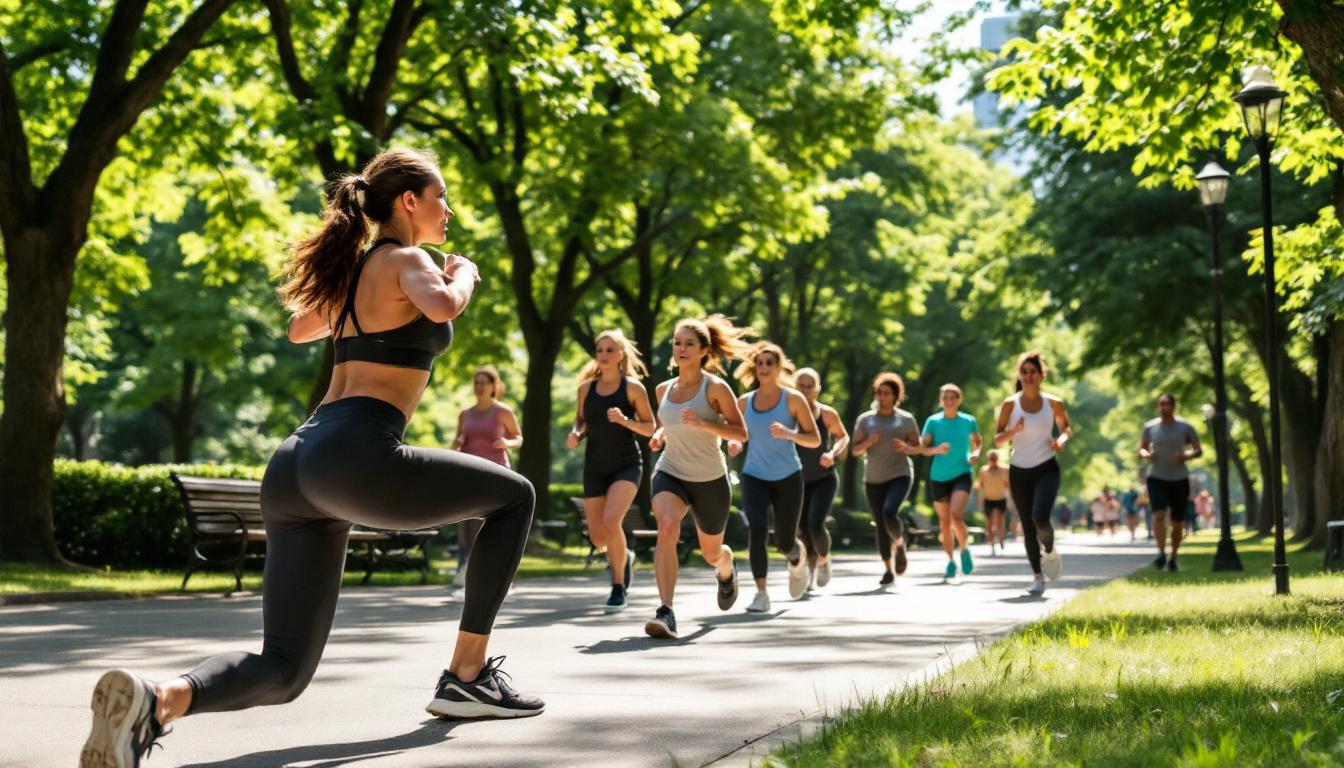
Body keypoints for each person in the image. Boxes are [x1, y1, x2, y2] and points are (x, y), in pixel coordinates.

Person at [81, 149, 543, 768]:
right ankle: (468, 673)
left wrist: (357, 297)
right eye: (440, 197)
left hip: (296, 465)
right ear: (409, 201)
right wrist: (463, 274)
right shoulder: (411, 259)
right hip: (358, 454)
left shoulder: (356, 275)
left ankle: (156, 700)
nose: (448, 209)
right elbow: (441, 306)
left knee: (284, 668)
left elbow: (301, 327)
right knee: (516, 496)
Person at [644, 315, 752, 639]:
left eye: (689, 343)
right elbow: (668, 421)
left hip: (709, 479)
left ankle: (725, 566)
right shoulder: (663, 388)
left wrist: (705, 425)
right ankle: (666, 610)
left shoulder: (716, 388)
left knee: (711, 553)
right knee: (666, 528)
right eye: (677, 342)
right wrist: (660, 434)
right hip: (671, 471)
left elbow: (741, 433)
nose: (682, 348)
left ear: (704, 350)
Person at [565, 329, 656, 613]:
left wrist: (625, 420)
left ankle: (618, 588)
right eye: (599, 350)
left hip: (626, 465)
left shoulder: (632, 388)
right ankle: (624, 556)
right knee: (599, 538)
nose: (602, 355)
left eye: (609, 350)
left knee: (612, 518)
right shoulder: (585, 389)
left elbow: (650, 427)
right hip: (595, 467)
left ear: (620, 355)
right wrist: (576, 434)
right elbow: (581, 421)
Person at [727, 343, 819, 612]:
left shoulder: (792, 399)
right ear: (755, 368)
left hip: (788, 476)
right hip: (754, 474)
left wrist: (790, 434)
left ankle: (796, 556)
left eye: (769, 363)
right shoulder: (744, 402)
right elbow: (735, 434)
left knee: (783, 541)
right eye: (760, 363)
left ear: (778, 368)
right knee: (756, 528)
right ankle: (761, 593)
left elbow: (814, 439)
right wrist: (734, 444)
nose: (764, 368)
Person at [994, 351, 1073, 597]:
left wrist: (1060, 440)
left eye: (1033, 372)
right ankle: (1038, 577)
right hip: (1019, 471)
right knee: (1028, 526)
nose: (1028, 376)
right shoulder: (1010, 404)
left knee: (1040, 516)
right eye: (1024, 372)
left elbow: (1066, 428)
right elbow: (997, 439)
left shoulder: (1053, 403)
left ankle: (1049, 551)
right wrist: (1013, 431)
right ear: (1020, 375)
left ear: (1041, 375)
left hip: (1046, 468)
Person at [451, 364, 523, 585]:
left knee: (494, 524)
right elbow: (456, 446)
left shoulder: (502, 411)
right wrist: (457, 443)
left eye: (484, 383)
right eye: (476, 383)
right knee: (467, 521)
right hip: (471, 474)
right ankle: (465, 569)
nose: (479, 387)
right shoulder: (465, 415)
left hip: (496, 472)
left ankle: (502, 575)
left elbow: (519, 438)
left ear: (494, 386)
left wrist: (507, 442)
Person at [851, 372, 921, 587]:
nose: (882, 397)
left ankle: (899, 544)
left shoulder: (906, 419)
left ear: (895, 396)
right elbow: (855, 450)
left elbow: (918, 448)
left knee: (889, 512)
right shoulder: (865, 419)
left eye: (887, 393)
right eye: (879, 392)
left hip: (899, 474)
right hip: (873, 478)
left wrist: (906, 447)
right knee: (881, 525)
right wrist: (869, 442)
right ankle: (888, 570)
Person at [916, 383, 982, 580]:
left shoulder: (968, 421)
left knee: (955, 514)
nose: (949, 400)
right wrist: (936, 450)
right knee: (945, 523)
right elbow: (922, 448)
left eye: (953, 397)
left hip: (962, 471)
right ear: (941, 400)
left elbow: (977, 442)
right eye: (945, 397)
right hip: (938, 476)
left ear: (959, 399)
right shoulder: (933, 422)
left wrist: (975, 454)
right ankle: (951, 561)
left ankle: (964, 549)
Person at [793, 367, 849, 588]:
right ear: (794, 387)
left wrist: (832, 453)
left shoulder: (826, 413)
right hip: (796, 480)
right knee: (802, 530)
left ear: (817, 389)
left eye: (809, 386)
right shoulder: (789, 414)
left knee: (816, 524)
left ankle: (824, 560)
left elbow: (843, 437)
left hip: (823, 478)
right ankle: (810, 573)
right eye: (801, 385)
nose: (805, 389)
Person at [1140, 393, 1202, 572]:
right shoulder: (1150, 427)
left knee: (1177, 522)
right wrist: (1147, 455)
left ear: (1174, 407)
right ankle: (1160, 553)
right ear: (1158, 407)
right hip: (1156, 477)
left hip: (1179, 478)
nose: (1165, 407)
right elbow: (1142, 448)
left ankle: (1173, 556)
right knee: (1159, 515)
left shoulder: (1185, 427)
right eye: (1161, 404)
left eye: (1168, 404)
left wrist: (1186, 456)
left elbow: (1198, 450)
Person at [978, 450, 1010, 555]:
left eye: (994, 458)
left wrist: (1011, 500)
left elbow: (1008, 485)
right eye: (991, 458)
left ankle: (1001, 539)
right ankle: (991, 543)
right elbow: (980, 485)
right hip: (989, 499)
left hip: (1000, 498)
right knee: (989, 523)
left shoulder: (1004, 469)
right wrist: (980, 499)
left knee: (1001, 522)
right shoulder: (984, 470)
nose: (993, 460)